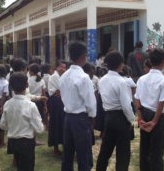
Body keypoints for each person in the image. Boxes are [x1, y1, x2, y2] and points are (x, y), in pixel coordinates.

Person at [60, 41, 97, 171]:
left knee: (68, 154)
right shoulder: (84, 77)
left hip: (68, 118)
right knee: (84, 156)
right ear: (83, 57)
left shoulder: (64, 76)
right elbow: (90, 103)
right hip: (81, 118)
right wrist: (92, 118)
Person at [96, 52, 135, 171]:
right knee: (123, 152)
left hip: (108, 116)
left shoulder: (101, 80)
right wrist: (131, 120)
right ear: (121, 64)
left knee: (105, 150)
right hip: (121, 117)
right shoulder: (121, 82)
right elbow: (126, 105)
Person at [134, 48, 164, 171]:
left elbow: (137, 100)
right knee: (157, 150)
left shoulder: (141, 79)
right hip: (157, 116)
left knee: (144, 148)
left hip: (144, 114)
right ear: (163, 63)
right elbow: (162, 102)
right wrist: (155, 121)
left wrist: (140, 118)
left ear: (149, 61)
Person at [0, 72, 44, 171]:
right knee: (27, 167)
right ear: (27, 85)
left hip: (13, 141)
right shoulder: (30, 105)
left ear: (11, 87)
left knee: (20, 165)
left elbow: (2, 125)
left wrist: (13, 126)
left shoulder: (7, 104)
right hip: (26, 142)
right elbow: (39, 128)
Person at [47, 60, 67, 156]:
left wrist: (61, 91)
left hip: (61, 102)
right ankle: (55, 148)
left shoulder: (62, 76)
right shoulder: (54, 76)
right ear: (56, 68)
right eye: (61, 67)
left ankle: (63, 145)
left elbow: (63, 90)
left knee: (62, 123)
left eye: (64, 67)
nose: (63, 69)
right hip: (55, 103)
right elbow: (61, 89)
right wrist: (61, 91)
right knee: (55, 123)